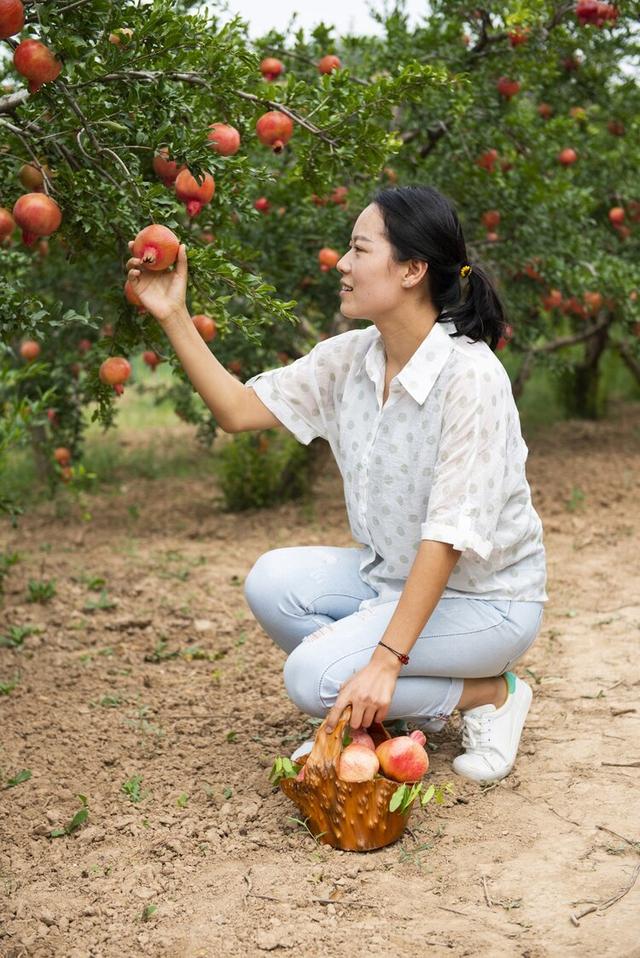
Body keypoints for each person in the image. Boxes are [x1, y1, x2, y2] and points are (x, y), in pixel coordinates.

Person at [126, 184, 547, 784]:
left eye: (358, 249)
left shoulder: (470, 379)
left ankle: (489, 694)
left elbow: (447, 539)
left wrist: (384, 662)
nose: (342, 265)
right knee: (274, 581)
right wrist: (171, 313)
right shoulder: (351, 358)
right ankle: (387, 712)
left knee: (312, 678)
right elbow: (238, 411)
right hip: (391, 582)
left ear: (411, 270)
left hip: (487, 602)